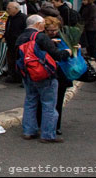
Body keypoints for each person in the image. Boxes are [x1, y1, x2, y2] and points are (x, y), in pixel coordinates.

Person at [17, 15, 70, 143]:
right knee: (49, 104)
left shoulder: (20, 37)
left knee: (30, 102)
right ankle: (47, 134)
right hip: (44, 74)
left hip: (27, 73)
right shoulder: (41, 37)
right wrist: (68, 52)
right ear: (38, 24)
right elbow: (56, 55)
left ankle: (29, 131)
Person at [35, 16, 72, 135]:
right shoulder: (42, 39)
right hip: (46, 73)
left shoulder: (63, 38)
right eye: (50, 30)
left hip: (61, 73)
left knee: (58, 100)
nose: (54, 33)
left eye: (55, 30)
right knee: (43, 100)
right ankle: (42, 124)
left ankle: (56, 126)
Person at [4, 2, 27, 83]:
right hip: (10, 43)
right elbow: (8, 28)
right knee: (11, 60)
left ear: (16, 9)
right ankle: (13, 76)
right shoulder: (10, 17)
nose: (7, 10)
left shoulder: (23, 18)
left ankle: (20, 77)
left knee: (18, 60)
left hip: (19, 43)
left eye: (9, 8)